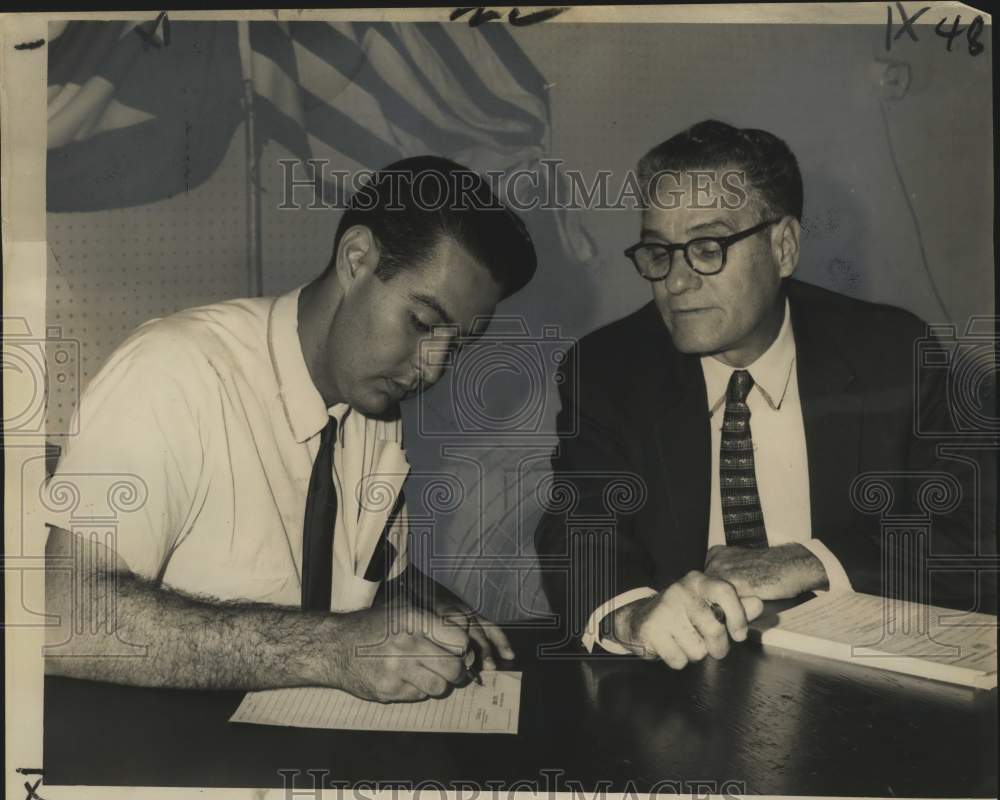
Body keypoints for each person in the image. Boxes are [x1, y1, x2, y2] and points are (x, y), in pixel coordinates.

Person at [44, 156, 537, 701]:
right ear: (357, 259)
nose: (434, 366)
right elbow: (63, 616)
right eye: (422, 323)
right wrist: (332, 649)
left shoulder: (374, 408)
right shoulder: (174, 371)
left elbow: (363, 575)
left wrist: (429, 604)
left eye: (459, 343)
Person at [535, 120, 994, 669]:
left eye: (707, 247)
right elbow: (579, 529)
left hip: (865, 685)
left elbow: (975, 531)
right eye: (659, 252)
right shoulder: (609, 368)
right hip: (685, 687)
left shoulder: (892, 352)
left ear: (784, 247)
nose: (675, 283)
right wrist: (634, 617)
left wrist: (810, 562)